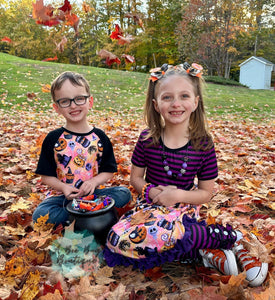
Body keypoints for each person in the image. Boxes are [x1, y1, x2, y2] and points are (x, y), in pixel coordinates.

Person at [103, 63, 268, 287]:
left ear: (196, 101)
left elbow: (205, 193)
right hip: (150, 207)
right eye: (167, 97)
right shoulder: (147, 139)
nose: (176, 103)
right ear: (156, 104)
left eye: (184, 96)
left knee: (165, 233)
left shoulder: (202, 143)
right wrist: (151, 191)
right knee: (116, 239)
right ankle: (203, 252)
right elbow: (136, 179)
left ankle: (234, 240)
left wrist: (178, 195)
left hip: (183, 208)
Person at [33, 71, 132, 228]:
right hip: (63, 198)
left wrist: (94, 182)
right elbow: (46, 177)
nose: (73, 105)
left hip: (93, 196)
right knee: (41, 214)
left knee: (123, 194)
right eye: (65, 101)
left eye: (79, 99)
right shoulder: (53, 138)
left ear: (90, 102)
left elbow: (108, 170)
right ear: (56, 107)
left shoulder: (99, 137)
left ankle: (82, 217)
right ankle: (91, 217)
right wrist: (64, 187)